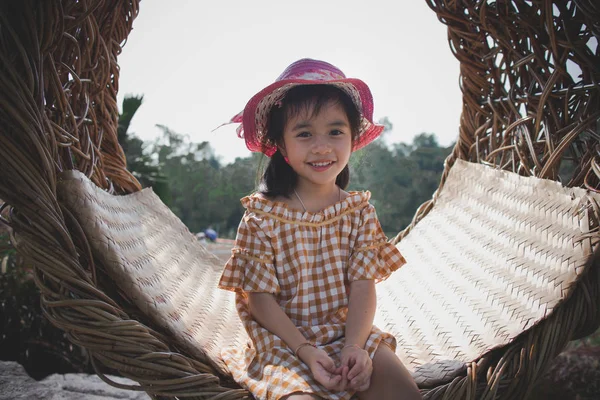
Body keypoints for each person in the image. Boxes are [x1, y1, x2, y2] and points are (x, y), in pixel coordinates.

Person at [218, 58, 421, 400]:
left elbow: (362, 288)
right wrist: (305, 351)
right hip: (283, 342)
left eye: (335, 131)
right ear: (282, 146)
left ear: (353, 138)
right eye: (304, 134)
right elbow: (260, 301)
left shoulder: (358, 212)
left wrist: (355, 348)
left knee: (404, 392)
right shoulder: (262, 216)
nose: (322, 146)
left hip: (347, 333)